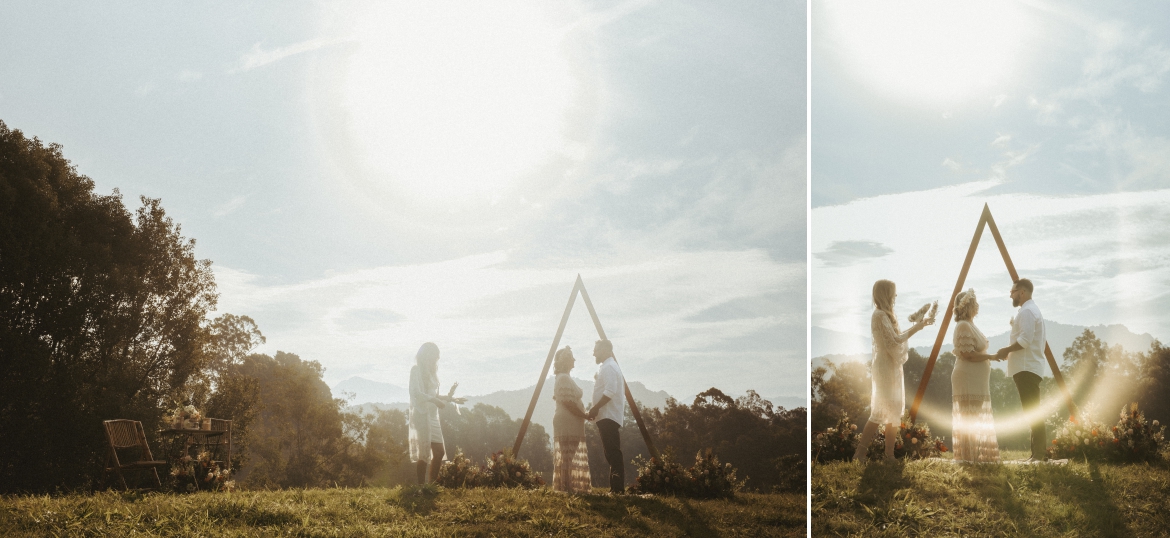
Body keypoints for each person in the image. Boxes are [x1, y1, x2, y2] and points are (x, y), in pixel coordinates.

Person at [853, 279, 934, 462]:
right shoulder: (880, 315)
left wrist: (919, 325)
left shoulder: (884, 315)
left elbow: (895, 337)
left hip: (891, 365)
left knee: (894, 410)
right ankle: (859, 454)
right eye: (893, 292)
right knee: (880, 409)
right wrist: (917, 328)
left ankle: (888, 455)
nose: (896, 296)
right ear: (886, 294)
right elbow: (894, 341)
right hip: (885, 367)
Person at [995, 278, 1047, 462]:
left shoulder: (1026, 312)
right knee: (1032, 410)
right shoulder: (1031, 310)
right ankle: (1037, 454)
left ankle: (1040, 455)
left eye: (1013, 291)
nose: (1010, 294)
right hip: (1029, 367)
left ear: (1022, 292)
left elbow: (1025, 341)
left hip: (1026, 368)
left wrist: (1006, 350)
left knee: (1032, 411)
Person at [949, 289, 1000, 463]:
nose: (978, 305)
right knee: (968, 418)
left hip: (977, 378)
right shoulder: (963, 325)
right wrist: (991, 356)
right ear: (968, 306)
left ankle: (973, 455)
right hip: (967, 377)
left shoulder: (970, 324)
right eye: (975, 302)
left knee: (974, 417)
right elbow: (967, 354)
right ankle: (967, 457)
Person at [408, 342, 465, 484]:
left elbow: (436, 395)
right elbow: (416, 393)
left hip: (433, 417)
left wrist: (452, 397)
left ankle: (432, 485)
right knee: (424, 453)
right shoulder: (416, 370)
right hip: (422, 415)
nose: (435, 360)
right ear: (426, 355)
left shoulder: (432, 373)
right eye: (434, 356)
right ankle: (422, 486)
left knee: (439, 452)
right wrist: (434, 400)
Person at [550, 346, 593, 493]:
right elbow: (568, 403)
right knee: (567, 454)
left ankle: (567, 485)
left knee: (569, 454)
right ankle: (566, 486)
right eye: (571, 357)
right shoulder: (563, 378)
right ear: (566, 361)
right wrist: (584, 415)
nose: (574, 360)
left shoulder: (564, 377)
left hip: (572, 420)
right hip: (568, 420)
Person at [586, 338, 626, 493]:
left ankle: (617, 489)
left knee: (613, 452)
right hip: (607, 415)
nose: (593, 353)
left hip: (608, 415)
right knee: (611, 452)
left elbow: (610, 391)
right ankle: (616, 487)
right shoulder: (608, 366)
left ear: (605, 350)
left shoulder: (609, 367)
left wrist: (595, 408)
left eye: (596, 350)